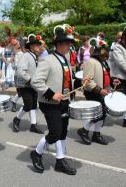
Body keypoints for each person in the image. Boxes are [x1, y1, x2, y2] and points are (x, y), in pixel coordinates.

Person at [30, 24, 78, 175]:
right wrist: (52, 94)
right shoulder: (47, 60)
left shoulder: (65, 60)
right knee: (55, 133)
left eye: (70, 43)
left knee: (63, 132)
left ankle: (60, 160)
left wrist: (82, 82)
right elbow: (35, 81)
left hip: (64, 101)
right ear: (58, 44)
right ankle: (36, 153)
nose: (70, 46)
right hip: (49, 103)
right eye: (67, 43)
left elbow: (66, 80)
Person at [77, 38, 117, 145]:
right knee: (97, 113)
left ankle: (96, 133)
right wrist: (100, 90)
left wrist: (112, 83)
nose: (106, 57)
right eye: (104, 55)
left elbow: (105, 77)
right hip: (93, 92)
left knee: (102, 113)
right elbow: (87, 81)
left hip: (102, 91)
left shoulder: (103, 63)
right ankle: (84, 131)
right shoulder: (91, 62)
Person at [12, 34, 44, 134]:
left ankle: (33, 125)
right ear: (31, 46)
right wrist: (30, 80)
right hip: (25, 85)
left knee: (34, 104)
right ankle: (17, 119)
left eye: (39, 45)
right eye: (37, 45)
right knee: (28, 105)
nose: (39, 47)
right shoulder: (26, 56)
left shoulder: (35, 57)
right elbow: (21, 71)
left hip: (33, 85)